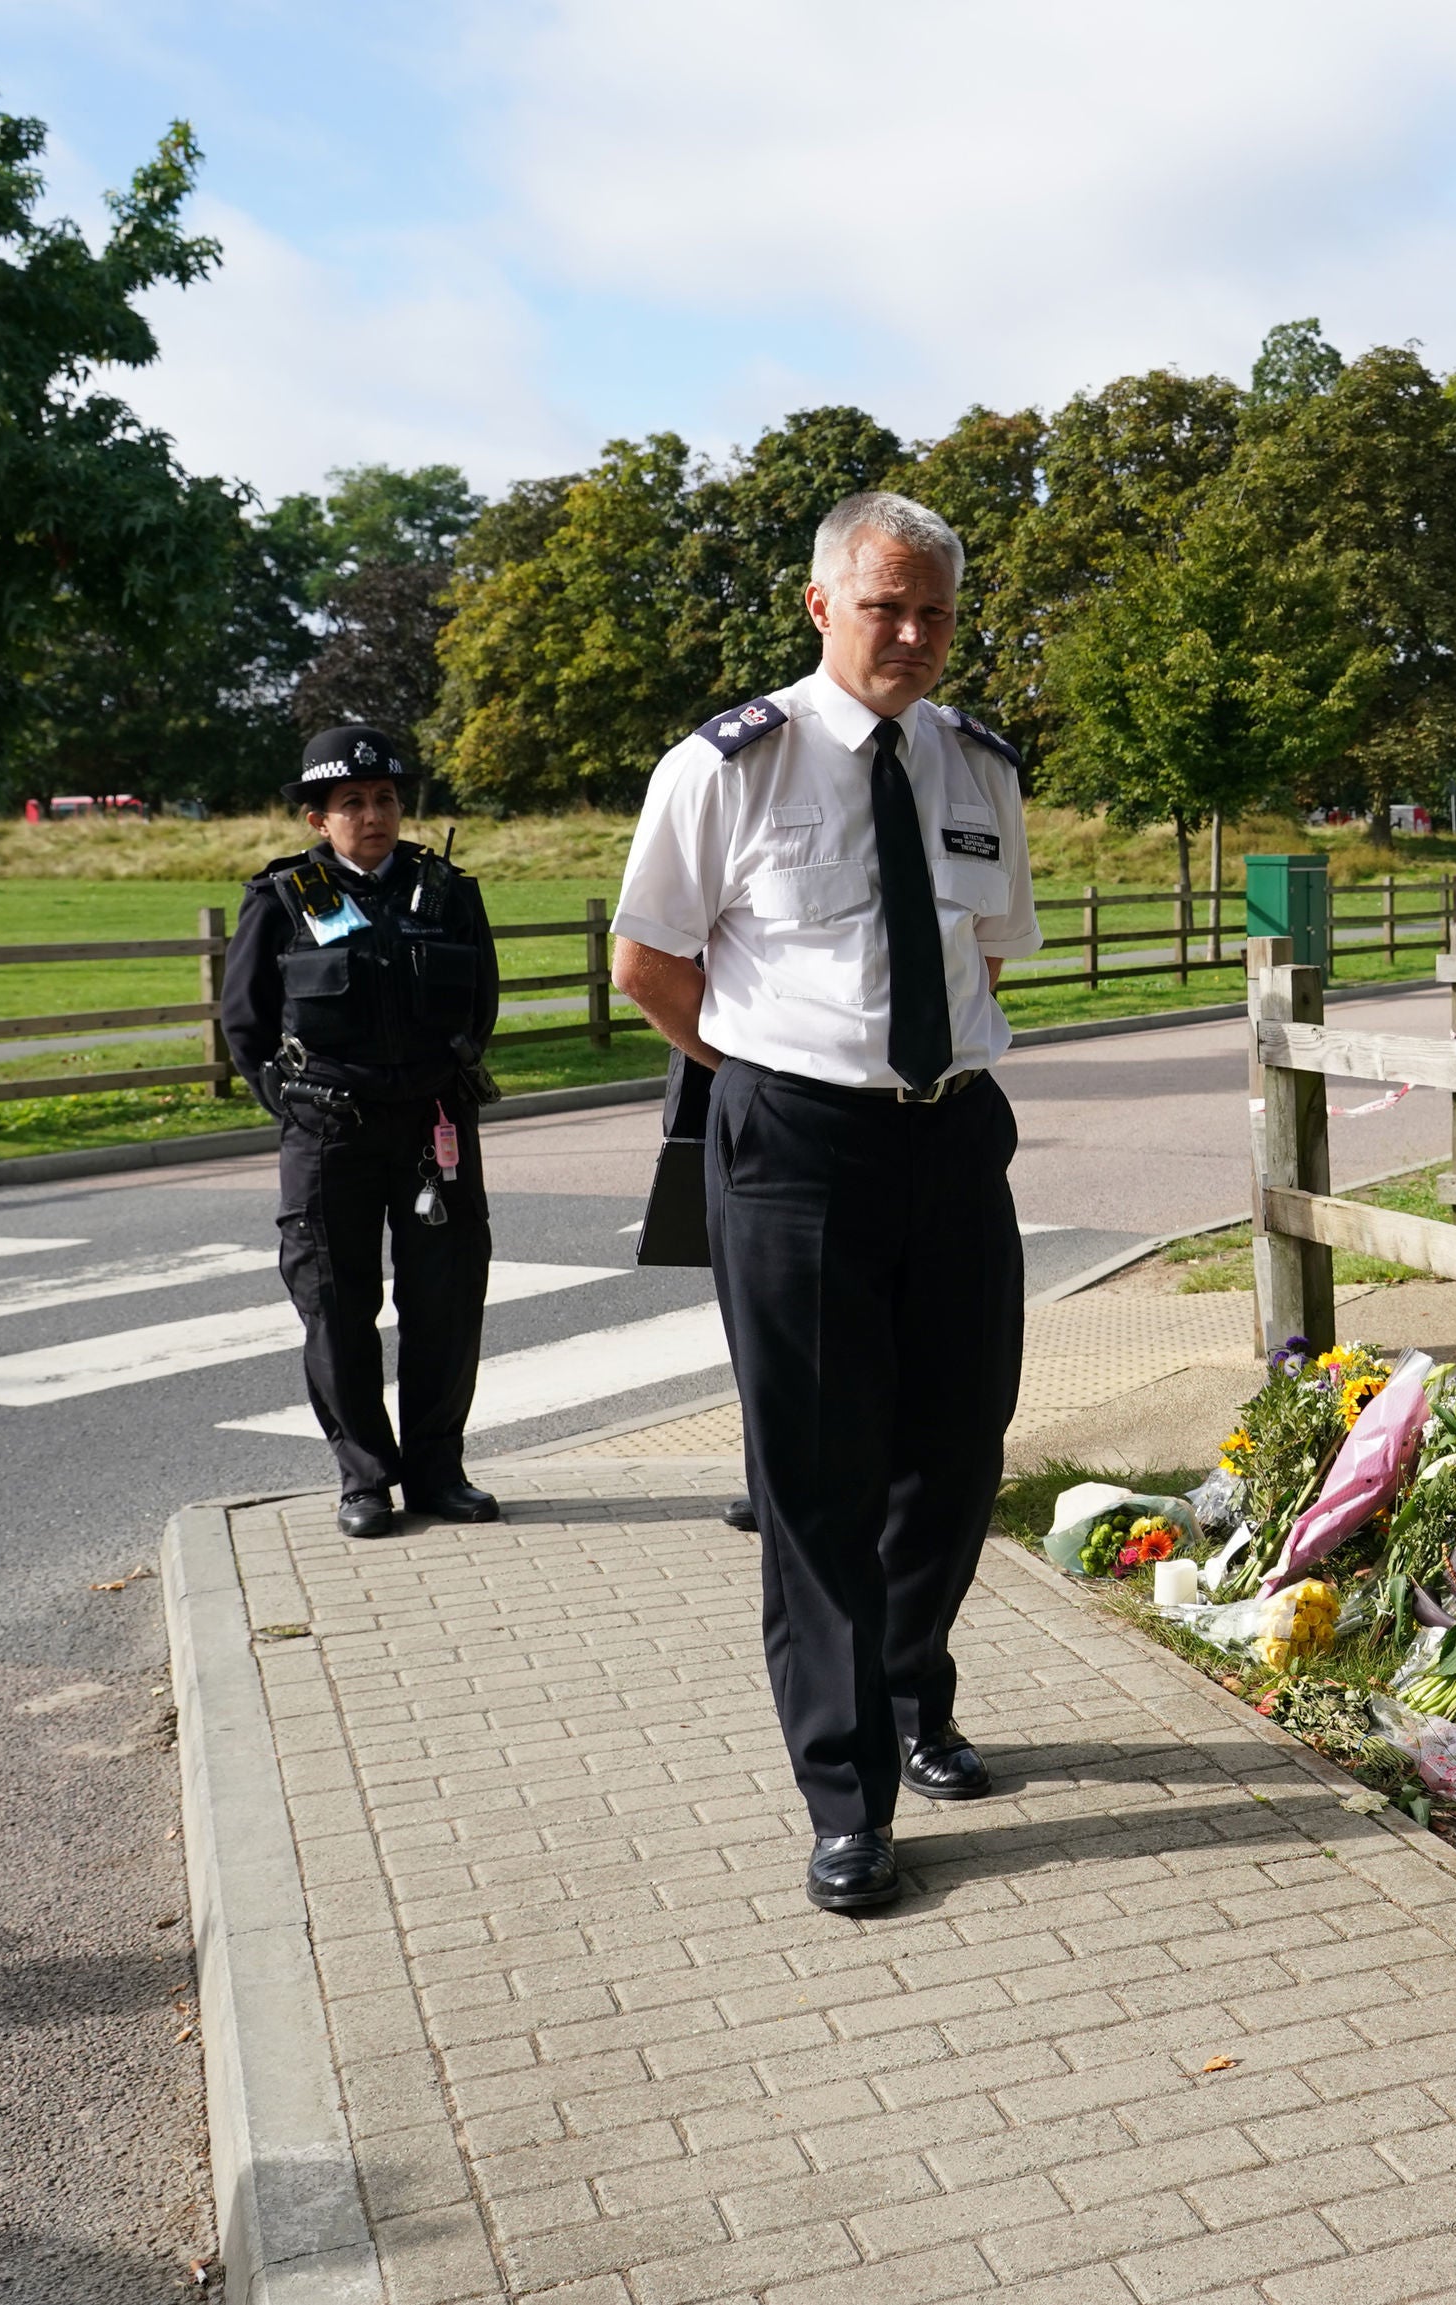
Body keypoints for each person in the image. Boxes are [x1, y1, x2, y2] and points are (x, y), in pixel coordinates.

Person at [608, 490, 1040, 1916]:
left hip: (952, 1138)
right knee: (817, 1477)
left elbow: (984, 954)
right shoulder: (729, 765)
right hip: (792, 1145)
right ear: (820, 607)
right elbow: (649, 962)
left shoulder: (979, 765)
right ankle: (846, 1791)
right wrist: (763, 1072)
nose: (912, 634)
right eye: (884, 607)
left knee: (960, 1449)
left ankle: (914, 1683)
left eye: (935, 612)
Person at [221, 727, 504, 1541]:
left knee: (445, 1303)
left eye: (384, 800)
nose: (373, 816)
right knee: (337, 1307)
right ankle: (366, 1479)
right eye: (352, 804)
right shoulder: (283, 899)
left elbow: (479, 1002)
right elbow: (246, 1025)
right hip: (329, 1132)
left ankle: (439, 1472)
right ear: (318, 819)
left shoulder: (445, 891)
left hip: (433, 1125)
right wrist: (299, 1106)